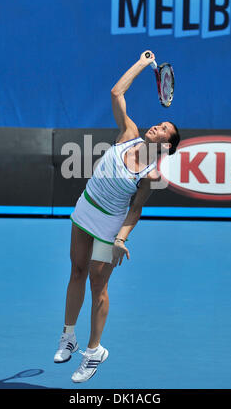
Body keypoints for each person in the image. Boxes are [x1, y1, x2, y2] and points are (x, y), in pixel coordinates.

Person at [54, 50, 180, 383]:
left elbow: (136, 207)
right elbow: (116, 93)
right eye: (159, 123)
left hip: (109, 226)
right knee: (76, 270)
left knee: (99, 286)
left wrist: (122, 238)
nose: (156, 127)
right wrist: (141, 63)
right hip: (85, 208)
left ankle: (93, 351)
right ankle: (68, 336)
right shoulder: (128, 133)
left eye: (164, 129)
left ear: (167, 145)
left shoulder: (152, 173)